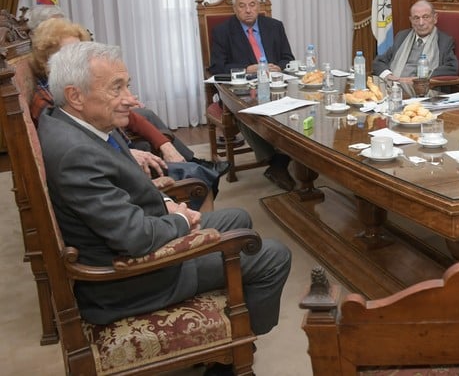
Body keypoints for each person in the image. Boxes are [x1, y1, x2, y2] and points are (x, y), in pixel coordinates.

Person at [38, 41, 292, 375]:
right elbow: (135, 237)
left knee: (239, 217)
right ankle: (236, 346)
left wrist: (168, 202)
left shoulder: (70, 125)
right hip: (131, 280)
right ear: (75, 96)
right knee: (273, 256)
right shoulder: (76, 154)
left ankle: (225, 339)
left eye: (127, 85)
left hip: (133, 239)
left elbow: (122, 195)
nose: (132, 98)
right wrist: (180, 221)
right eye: (118, 88)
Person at [30, 18, 224, 211]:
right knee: (198, 179)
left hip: (123, 158)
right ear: (47, 58)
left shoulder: (90, 103)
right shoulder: (51, 106)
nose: (81, 58)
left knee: (147, 117)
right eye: (71, 52)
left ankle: (191, 162)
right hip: (121, 170)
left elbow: (124, 122)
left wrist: (162, 146)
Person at [208, 0, 295, 189]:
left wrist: (276, 67)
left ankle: (294, 153)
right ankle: (276, 161)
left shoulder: (275, 26)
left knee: (300, 105)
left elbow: (287, 59)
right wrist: (248, 69)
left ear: (258, 5)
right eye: (242, 5)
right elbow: (217, 67)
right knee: (244, 111)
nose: (248, 10)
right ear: (235, 9)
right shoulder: (223, 32)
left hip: (276, 85)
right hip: (242, 89)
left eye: (252, 4)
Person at [372, 0, 459, 90]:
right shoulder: (402, 36)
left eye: (425, 17)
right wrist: (389, 76)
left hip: (424, 92)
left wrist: (422, 79)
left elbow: (451, 68)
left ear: (435, 18)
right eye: (416, 18)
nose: (421, 23)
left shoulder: (444, 41)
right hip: (394, 88)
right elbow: (379, 61)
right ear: (411, 20)